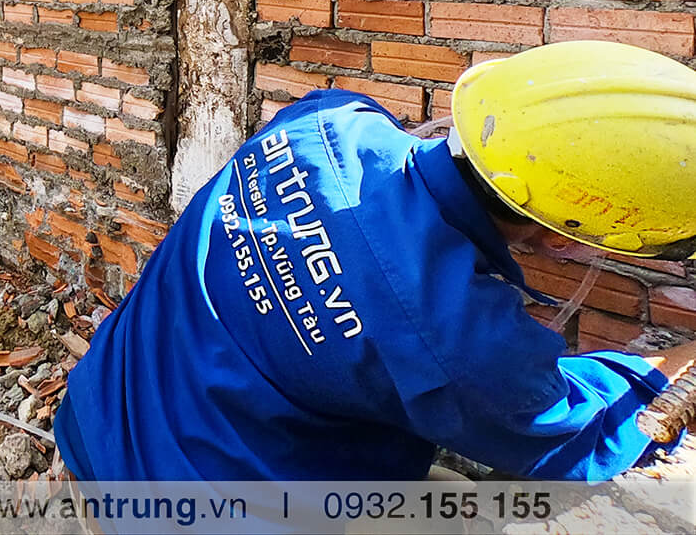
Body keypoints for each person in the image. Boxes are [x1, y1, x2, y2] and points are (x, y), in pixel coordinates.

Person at [56, 40, 696, 483]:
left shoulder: (329, 119)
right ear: (568, 241)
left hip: (96, 421)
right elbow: (587, 434)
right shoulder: (453, 341)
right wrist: (676, 366)